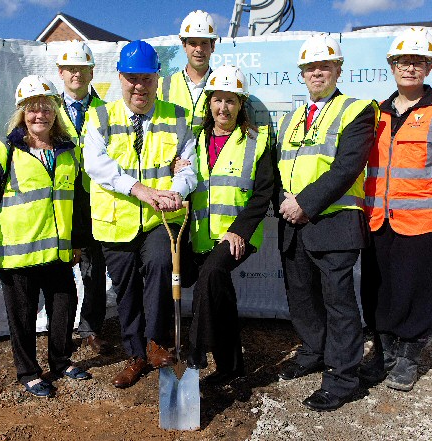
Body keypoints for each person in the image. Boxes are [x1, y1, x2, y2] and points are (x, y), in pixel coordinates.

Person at [360, 28, 432, 392]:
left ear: (428, 67)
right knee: (377, 287)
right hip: (379, 217)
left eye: (418, 62)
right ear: (391, 66)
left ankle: (408, 356)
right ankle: (384, 350)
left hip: (427, 219)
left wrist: (429, 188)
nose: (409, 68)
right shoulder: (376, 113)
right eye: (402, 61)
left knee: (417, 288)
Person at [83, 40, 197, 388]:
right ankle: (135, 354)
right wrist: (139, 189)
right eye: (132, 77)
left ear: (157, 79)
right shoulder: (100, 116)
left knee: (163, 265)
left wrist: (176, 191)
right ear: (120, 77)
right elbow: (95, 164)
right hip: (116, 222)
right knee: (127, 289)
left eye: (146, 78)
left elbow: (190, 169)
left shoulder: (177, 117)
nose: (139, 86)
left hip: (160, 221)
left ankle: (155, 342)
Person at [274, 34, 379, 411]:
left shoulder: (357, 109)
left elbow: (347, 166)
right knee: (301, 298)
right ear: (301, 74)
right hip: (293, 223)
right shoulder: (291, 118)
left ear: (338, 69)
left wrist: (304, 203)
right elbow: (276, 168)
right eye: (310, 68)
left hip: (334, 221)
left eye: (324, 66)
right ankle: (313, 352)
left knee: (338, 304)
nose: (317, 73)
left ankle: (342, 376)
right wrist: (284, 204)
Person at [0, 75, 91, 398]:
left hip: (58, 253)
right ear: (22, 113)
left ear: (56, 111)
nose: (41, 115)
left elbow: (77, 202)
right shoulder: (3, 151)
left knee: (65, 307)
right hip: (17, 255)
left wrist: (77, 241)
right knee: (22, 318)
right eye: (33, 109)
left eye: (47, 108)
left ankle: (61, 361)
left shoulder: (68, 152)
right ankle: (28, 372)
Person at [182, 65, 273, 385]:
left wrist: (240, 231)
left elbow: (264, 194)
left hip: (239, 236)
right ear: (209, 103)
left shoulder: (256, 141)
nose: (223, 107)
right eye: (217, 100)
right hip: (200, 235)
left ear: (241, 104)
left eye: (231, 101)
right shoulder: (192, 140)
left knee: (211, 274)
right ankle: (232, 367)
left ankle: (195, 350)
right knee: (220, 292)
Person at [56, 40, 109, 355]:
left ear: (91, 72)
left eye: (82, 68)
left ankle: (91, 329)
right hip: (60, 201)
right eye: (70, 68)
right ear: (61, 72)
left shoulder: (105, 111)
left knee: (94, 271)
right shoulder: (49, 109)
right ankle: (61, 332)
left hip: (94, 200)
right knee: (59, 270)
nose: (76, 74)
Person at [157, 9, 217, 137]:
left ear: (213, 46)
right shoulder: (162, 86)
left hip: (211, 157)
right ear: (184, 46)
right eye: (193, 43)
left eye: (204, 43)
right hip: (172, 156)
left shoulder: (222, 85)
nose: (199, 49)